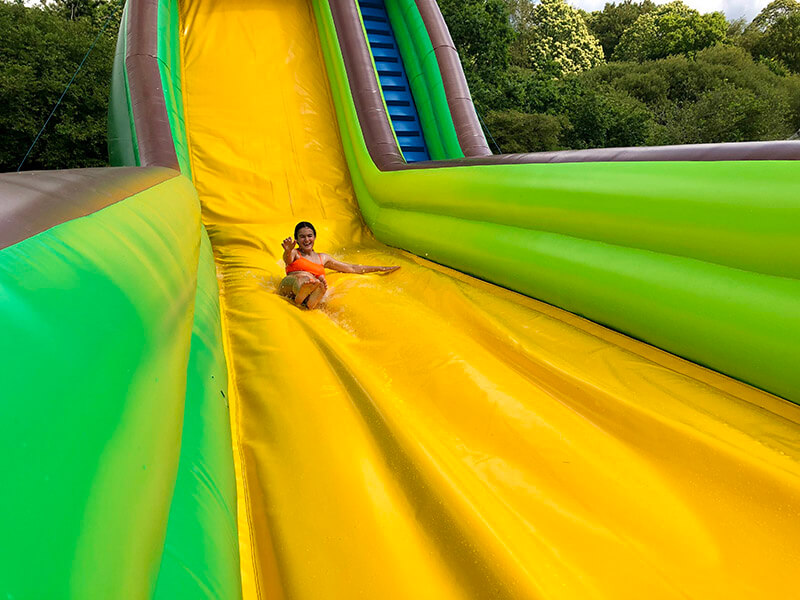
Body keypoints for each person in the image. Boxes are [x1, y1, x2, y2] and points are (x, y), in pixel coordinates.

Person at [279, 221, 400, 309]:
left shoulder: (323, 258)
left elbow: (352, 268)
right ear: (297, 239)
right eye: (302, 236)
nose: (306, 240)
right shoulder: (295, 253)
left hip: (312, 287)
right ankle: (303, 296)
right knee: (305, 279)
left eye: (309, 236)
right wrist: (288, 250)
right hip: (291, 284)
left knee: (315, 282)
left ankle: (308, 300)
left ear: (315, 237)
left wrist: (380, 268)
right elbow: (288, 260)